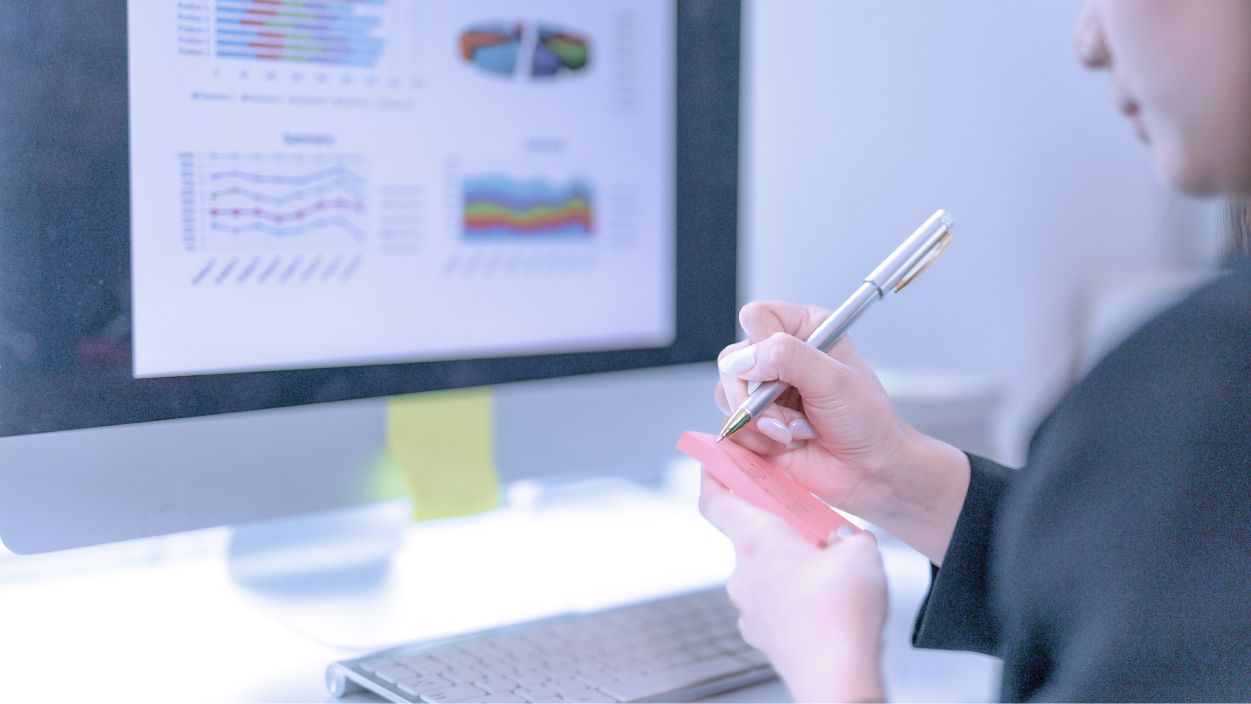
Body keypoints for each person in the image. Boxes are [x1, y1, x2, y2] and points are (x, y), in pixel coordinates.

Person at [700, 1, 1251, 701]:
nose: (1087, 42)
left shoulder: (1209, 391)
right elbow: (1191, 589)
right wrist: (892, 477)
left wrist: (829, 662)